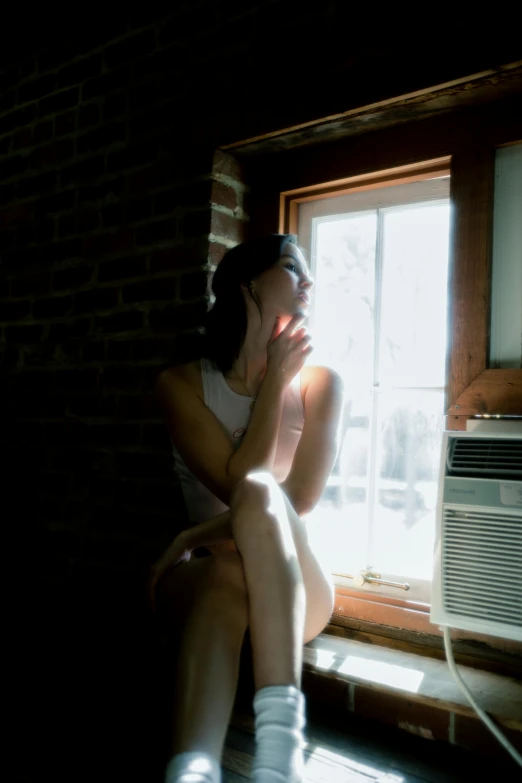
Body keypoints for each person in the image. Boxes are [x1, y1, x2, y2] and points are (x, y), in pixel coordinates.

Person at [147, 234, 344, 783]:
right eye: (290, 267)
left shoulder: (323, 385)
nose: (308, 282)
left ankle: (278, 751)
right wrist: (274, 377)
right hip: (211, 582)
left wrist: (190, 536)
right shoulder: (181, 385)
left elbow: (296, 501)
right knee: (231, 559)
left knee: (265, 496)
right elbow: (239, 484)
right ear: (247, 284)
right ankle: (193, 768)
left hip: (297, 589)